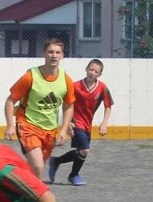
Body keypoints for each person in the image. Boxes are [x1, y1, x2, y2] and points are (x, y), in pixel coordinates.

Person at [4, 37, 75, 180]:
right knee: (37, 166)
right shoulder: (31, 76)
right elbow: (10, 100)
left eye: (57, 52)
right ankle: (32, 197)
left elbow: (68, 106)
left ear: (62, 55)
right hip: (27, 124)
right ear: (44, 54)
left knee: (36, 170)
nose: (54, 55)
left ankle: (16, 184)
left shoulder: (66, 80)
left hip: (49, 130)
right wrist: (10, 126)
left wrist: (64, 128)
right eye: (50, 52)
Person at [48, 58, 113, 186]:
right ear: (86, 69)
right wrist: (68, 123)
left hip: (87, 124)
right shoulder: (75, 86)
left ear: (99, 74)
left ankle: (56, 161)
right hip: (76, 123)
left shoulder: (102, 88)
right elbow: (67, 104)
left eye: (96, 71)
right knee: (85, 150)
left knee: (81, 152)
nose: (92, 73)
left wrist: (104, 123)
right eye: (91, 69)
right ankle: (73, 175)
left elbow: (108, 105)